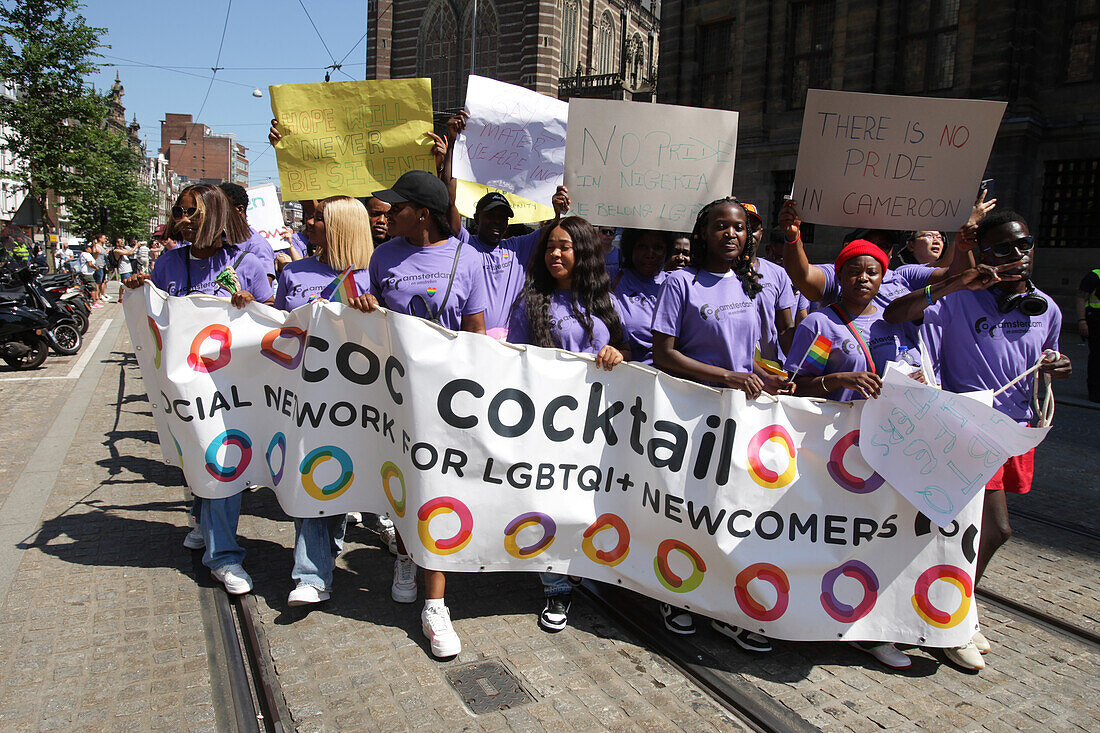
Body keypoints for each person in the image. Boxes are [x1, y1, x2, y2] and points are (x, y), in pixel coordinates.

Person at [885, 210, 1072, 671]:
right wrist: (955, 281)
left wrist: (1058, 366)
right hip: (965, 430)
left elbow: (1044, 358)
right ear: (983, 253)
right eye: (1004, 248)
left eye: (1024, 246)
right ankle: (953, 616)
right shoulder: (957, 300)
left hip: (1016, 431)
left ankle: (945, 604)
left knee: (962, 531)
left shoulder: (1046, 308)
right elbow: (897, 313)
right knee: (995, 529)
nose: (1017, 256)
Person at [651, 196, 788, 652]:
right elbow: (664, 355)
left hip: (742, 417)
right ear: (703, 234)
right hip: (692, 415)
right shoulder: (679, 282)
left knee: (734, 509)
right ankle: (680, 594)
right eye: (721, 227)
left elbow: (752, 354)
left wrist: (767, 376)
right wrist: (727, 376)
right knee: (692, 507)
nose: (731, 234)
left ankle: (727, 606)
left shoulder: (751, 285)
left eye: (739, 228)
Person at [123, 184, 274, 595]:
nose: (183, 220)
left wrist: (253, 307)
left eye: (192, 213)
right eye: (179, 211)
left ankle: (222, 556)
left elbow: (275, 326)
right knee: (198, 460)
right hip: (185, 390)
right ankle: (206, 523)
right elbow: (154, 323)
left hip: (232, 391)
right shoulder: (168, 264)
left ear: (217, 217)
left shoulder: (248, 265)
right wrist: (140, 293)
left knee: (223, 465)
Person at [783, 239, 921, 671]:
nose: (864, 279)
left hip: (889, 448)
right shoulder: (824, 325)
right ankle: (813, 614)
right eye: (853, 271)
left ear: (884, 277)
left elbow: (917, 367)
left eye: (873, 272)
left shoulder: (894, 322)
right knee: (828, 534)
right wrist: (837, 378)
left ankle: (871, 628)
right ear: (838, 276)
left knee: (879, 538)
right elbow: (798, 384)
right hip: (833, 450)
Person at [368, 169, 488, 658]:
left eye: (395, 208)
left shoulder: (467, 258)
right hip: (395, 396)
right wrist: (364, 306)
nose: (386, 215)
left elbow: (478, 335)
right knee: (402, 481)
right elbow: (370, 324)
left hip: (449, 402)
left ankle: (435, 605)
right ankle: (403, 554)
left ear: (421, 212)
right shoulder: (382, 257)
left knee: (438, 490)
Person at [507, 217, 627, 633]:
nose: (555, 254)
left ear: (584, 253)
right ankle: (555, 586)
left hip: (596, 430)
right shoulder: (529, 302)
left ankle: (582, 564)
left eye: (565, 247)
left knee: (589, 504)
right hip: (547, 429)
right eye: (549, 247)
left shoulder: (606, 302)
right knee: (550, 505)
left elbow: (627, 352)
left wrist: (618, 353)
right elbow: (511, 364)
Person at [273, 196, 379, 606]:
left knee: (339, 477)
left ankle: (327, 545)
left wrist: (372, 312)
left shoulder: (373, 276)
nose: (309, 223)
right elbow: (277, 326)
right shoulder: (294, 273)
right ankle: (312, 575)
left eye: (319, 218)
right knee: (310, 474)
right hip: (304, 396)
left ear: (341, 227)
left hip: (357, 397)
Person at [439, 112, 570, 338]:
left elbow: (550, 231)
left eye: (503, 217)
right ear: (477, 219)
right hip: (474, 340)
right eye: (491, 216)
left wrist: (557, 211)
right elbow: (448, 201)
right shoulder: (465, 244)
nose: (497, 221)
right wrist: (452, 145)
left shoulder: (517, 248)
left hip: (514, 344)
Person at [744, 204, 797, 363]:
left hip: (769, 369)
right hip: (730, 370)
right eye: (743, 227)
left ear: (761, 233)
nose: (749, 234)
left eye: (754, 229)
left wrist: (799, 367)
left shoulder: (778, 274)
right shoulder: (721, 274)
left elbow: (786, 328)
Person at [611, 228, 669, 364]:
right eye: (642, 247)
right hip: (624, 372)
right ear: (631, 249)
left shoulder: (674, 284)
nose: (650, 254)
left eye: (658, 248)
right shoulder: (613, 278)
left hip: (666, 376)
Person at [218, 182, 277, 285]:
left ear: (239, 209)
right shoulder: (217, 240)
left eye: (220, 208)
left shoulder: (257, 246)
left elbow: (264, 289)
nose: (215, 214)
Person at [1077, 266, 1100, 402]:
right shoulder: (1095, 276)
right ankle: (1095, 393)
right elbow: (1081, 298)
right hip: (1096, 321)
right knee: (1097, 358)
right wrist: (1082, 321)